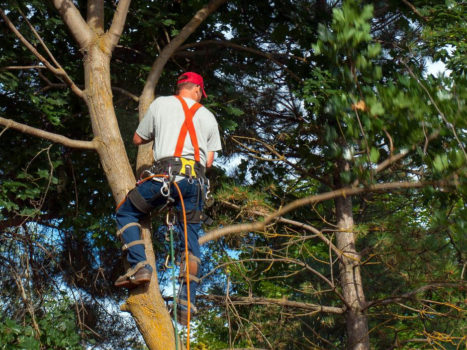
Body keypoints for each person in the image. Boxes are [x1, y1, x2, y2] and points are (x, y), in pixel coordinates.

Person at [114, 72, 222, 325]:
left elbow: (138, 138)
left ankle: (140, 266)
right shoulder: (208, 116)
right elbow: (208, 161)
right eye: (200, 93)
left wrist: (162, 132)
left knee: (127, 212)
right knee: (190, 240)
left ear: (180, 87)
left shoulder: (161, 104)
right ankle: (186, 305)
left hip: (165, 177)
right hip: (195, 184)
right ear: (197, 89)